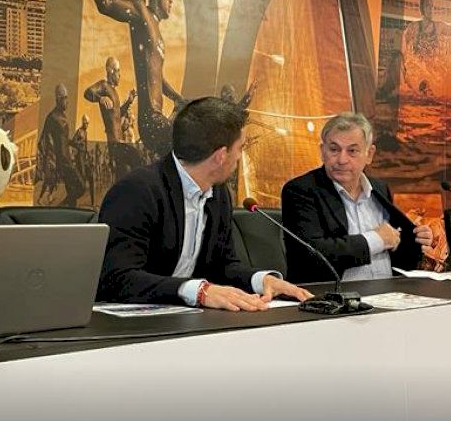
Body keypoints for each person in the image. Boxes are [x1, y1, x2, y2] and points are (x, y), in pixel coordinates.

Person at [97, 96, 312, 310]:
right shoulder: (136, 191)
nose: (239, 157)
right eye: (240, 148)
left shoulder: (218, 194)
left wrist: (261, 280)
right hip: (132, 321)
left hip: (189, 319)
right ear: (221, 156)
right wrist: (198, 291)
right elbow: (118, 278)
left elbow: (224, 266)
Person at [56, 0, 184, 161]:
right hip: (150, 121)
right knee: (194, 140)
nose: (172, 1)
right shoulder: (140, 10)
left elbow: (157, 78)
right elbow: (104, 3)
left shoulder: (158, 34)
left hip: (158, 118)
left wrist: (178, 98)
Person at [281, 113, 432, 283]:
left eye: (352, 151)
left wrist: (415, 241)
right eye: (334, 149)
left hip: (389, 291)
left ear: (369, 154)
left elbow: (395, 254)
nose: (342, 159)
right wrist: (376, 239)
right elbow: (311, 254)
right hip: (335, 296)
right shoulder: (300, 190)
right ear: (322, 151)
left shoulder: (380, 189)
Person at [84, 57, 140, 177]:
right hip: (114, 144)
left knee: (122, 176)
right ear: (111, 71)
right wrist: (100, 98)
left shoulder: (114, 92)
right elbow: (87, 93)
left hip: (118, 142)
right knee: (137, 158)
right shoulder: (104, 86)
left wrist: (129, 101)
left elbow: (117, 116)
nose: (120, 75)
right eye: (118, 71)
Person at [37, 84, 85, 206]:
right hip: (62, 161)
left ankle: (67, 210)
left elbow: (63, 139)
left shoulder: (62, 116)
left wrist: (74, 144)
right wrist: (49, 160)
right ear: (58, 99)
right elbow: (42, 141)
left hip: (67, 158)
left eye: (67, 98)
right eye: (65, 98)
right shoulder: (52, 117)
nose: (67, 102)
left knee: (72, 192)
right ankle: (61, 205)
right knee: (81, 187)